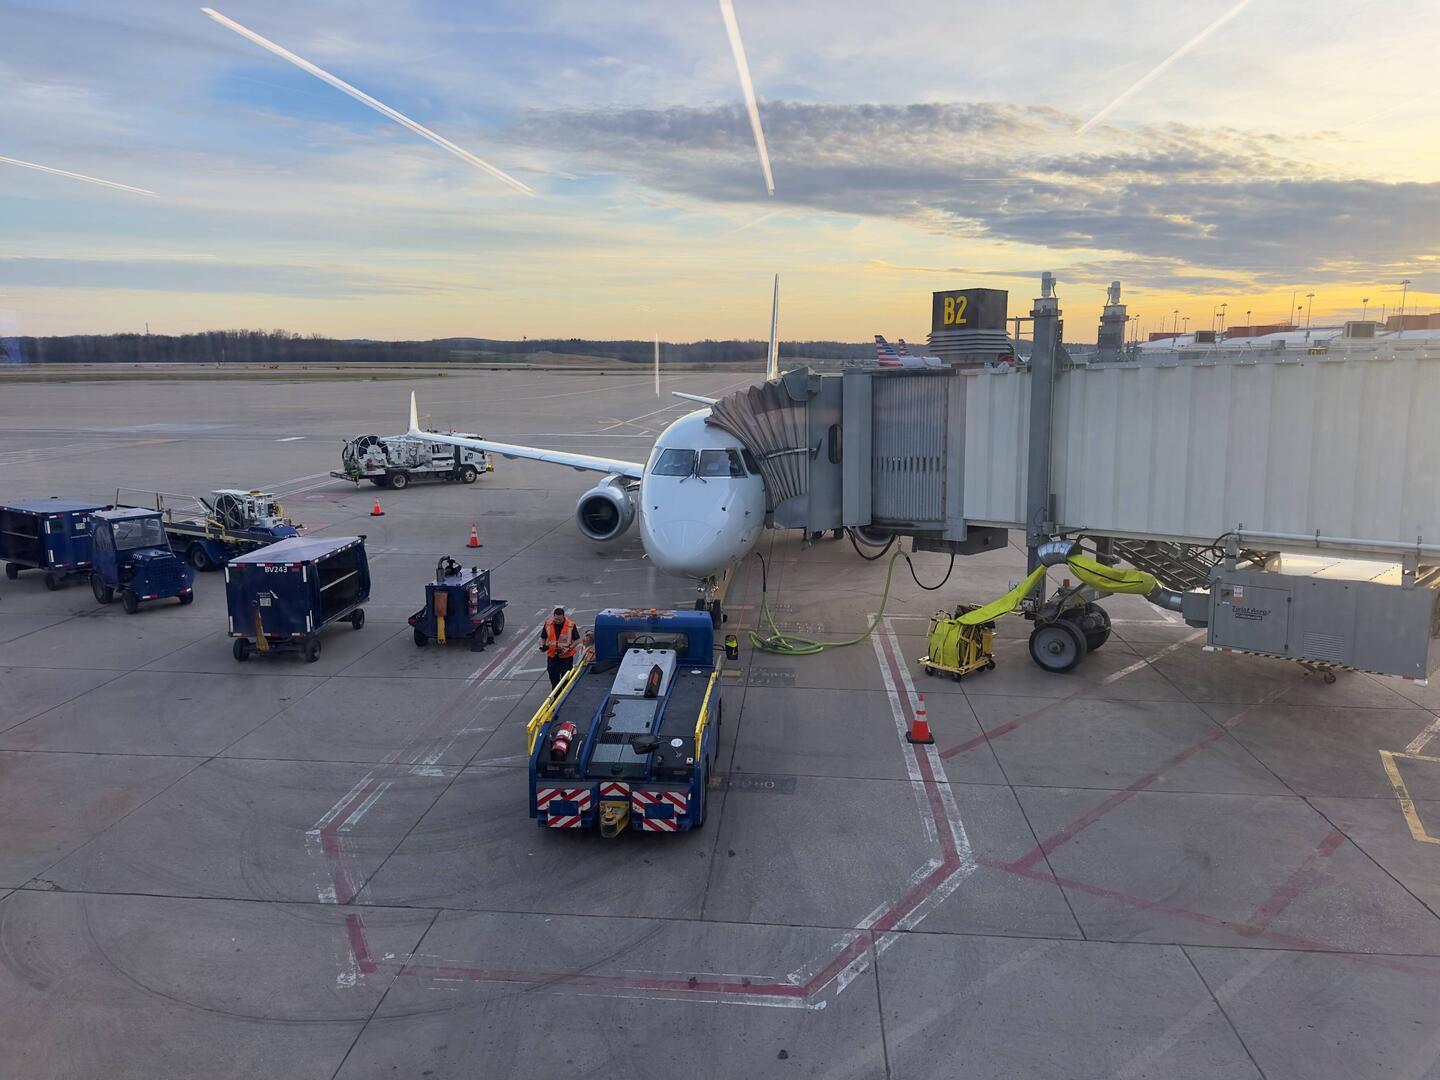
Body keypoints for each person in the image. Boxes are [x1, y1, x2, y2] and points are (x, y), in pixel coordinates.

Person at [539, 606, 581, 688]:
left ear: (563, 616)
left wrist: (569, 649)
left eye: (560, 620)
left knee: (566, 677)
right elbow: (543, 637)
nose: (558, 621)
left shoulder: (570, 625)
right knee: (552, 674)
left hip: (566, 656)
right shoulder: (548, 624)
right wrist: (543, 646)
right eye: (556, 619)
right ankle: (556, 691)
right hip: (552, 655)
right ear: (553, 616)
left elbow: (577, 640)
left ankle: (564, 691)